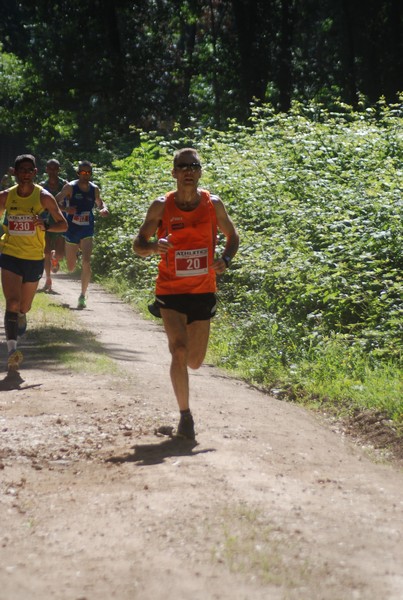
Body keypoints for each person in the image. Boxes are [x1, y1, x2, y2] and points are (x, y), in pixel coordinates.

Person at [133, 148, 239, 440]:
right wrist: (154, 247)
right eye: (183, 167)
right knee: (178, 350)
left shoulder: (213, 205)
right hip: (170, 290)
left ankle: (185, 412)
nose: (188, 171)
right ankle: (185, 417)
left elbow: (233, 237)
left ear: (200, 172)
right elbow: (138, 244)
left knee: (194, 361)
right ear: (174, 172)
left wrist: (226, 259)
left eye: (194, 166)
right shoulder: (161, 206)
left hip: (203, 290)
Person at [0, 154, 67, 372]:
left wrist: (45, 225)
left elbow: (63, 225)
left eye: (30, 170)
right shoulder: (5, 197)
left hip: (34, 258)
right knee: (11, 302)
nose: (26, 174)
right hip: (10, 254)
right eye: (22, 170)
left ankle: (21, 316)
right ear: (15, 173)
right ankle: (12, 351)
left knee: (23, 306)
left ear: (35, 173)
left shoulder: (44, 197)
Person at [55, 160, 109, 309]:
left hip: (87, 229)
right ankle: (57, 256)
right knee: (71, 267)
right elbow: (54, 202)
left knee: (86, 262)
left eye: (88, 173)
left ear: (91, 174)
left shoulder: (94, 189)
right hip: (71, 229)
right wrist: (67, 210)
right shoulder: (70, 187)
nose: (85, 175)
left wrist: (103, 209)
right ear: (78, 173)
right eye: (82, 173)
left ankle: (83, 296)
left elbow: (100, 203)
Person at [39, 159, 68, 292]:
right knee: (45, 252)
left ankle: (55, 258)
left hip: (61, 222)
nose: (52, 171)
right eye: (50, 169)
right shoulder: (41, 186)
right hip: (45, 222)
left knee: (61, 253)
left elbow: (70, 205)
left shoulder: (65, 186)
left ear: (59, 170)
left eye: (55, 169)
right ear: (46, 169)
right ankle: (48, 280)